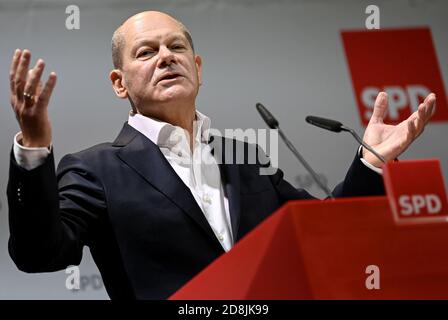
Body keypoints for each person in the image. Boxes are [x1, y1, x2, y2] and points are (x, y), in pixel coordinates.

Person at [7, 11, 435, 300]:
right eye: (146, 51)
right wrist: (34, 147)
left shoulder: (247, 158)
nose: (165, 57)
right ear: (119, 84)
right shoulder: (94, 168)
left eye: (175, 47)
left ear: (198, 66)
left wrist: (372, 161)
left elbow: (327, 234)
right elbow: (40, 254)